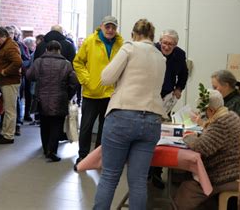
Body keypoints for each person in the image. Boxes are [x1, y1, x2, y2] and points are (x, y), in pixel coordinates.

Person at [93, 19, 166, 210]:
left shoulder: (130, 47)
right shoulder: (161, 57)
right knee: (139, 181)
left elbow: (106, 78)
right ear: (153, 36)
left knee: (109, 176)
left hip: (123, 116)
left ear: (134, 34)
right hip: (152, 120)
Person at [174, 90, 240, 210]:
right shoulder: (231, 116)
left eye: (204, 112)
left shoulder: (221, 124)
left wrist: (187, 136)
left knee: (187, 188)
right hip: (236, 171)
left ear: (210, 110)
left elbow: (201, 147)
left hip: (225, 176)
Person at [73, 16, 124, 169]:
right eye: (107, 27)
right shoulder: (90, 41)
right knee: (87, 127)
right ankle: (83, 156)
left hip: (111, 94)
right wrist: (87, 80)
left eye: (113, 27)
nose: (110, 30)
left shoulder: (121, 44)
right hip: (92, 93)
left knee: (105, 128)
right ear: (101, 26)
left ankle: (98, 156)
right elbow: (77, 62)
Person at [26, 40, 78, 162]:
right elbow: (74, 82)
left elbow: (29, 76)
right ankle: (51, 151)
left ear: (46, 50)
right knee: (56, 125)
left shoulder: (39, 62)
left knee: (44, 124)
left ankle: (45, 149)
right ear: (59, 50)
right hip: (60, 98)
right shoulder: (66, 64)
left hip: (41, 99)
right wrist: (68, 95)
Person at [151, 29, 189, 189]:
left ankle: (157, 173)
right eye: (164, 43)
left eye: (170, 44)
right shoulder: (152, 49)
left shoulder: (179, 54)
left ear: (176, 45)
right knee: (148, 134)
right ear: (159, 41)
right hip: (150, 95)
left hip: (166, 97)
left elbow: (184, 73)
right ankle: (146, 170)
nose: (166, 46)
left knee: (161, 135)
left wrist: (179, 88)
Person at [0, 27, 22, 144]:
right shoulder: (6, 45)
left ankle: (8, 136)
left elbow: (18, 62)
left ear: (4, 37)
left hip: (10, 82)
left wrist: (5, 71)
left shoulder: (10, 46)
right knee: (7, 109)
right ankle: (4, 133)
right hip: (6, 82)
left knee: (10, 110)